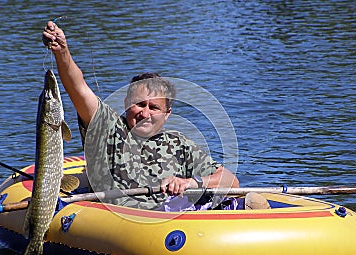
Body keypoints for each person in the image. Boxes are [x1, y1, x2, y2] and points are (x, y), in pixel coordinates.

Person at [42, 21, 245, 211]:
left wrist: (191, 182)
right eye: (139, 104)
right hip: (126, 225)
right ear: (126, 104)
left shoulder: (179, 143)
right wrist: (62, 52)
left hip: (176, 221)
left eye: (154, 107)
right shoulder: (108, 128)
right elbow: (78, 88)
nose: (145, 113)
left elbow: (230, 180)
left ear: (167, 114)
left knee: (245, 202)